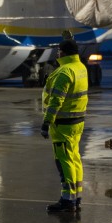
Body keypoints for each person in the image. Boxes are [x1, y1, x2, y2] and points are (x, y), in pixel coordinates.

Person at [40, 34, 89, 213]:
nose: (57, 54)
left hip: (62, 124)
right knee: (75, 158)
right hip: (77, 122)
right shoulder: (80, 68)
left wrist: (46, 123)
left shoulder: (64, 72)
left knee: (64, 161)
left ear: (63, 52)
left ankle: (67, 200)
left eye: (59, 51)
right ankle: (77, 198)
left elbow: (56, 102)